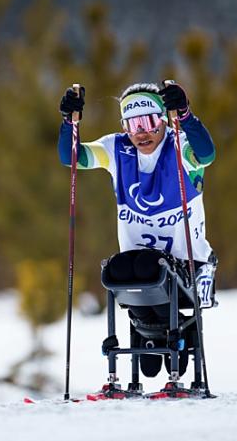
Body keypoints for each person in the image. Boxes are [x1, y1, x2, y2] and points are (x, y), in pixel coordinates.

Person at [57, 81, 217, 377]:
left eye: (149, 122)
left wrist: (184, 116)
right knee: (115, 271)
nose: (141, 132)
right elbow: (72, 158)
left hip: (186, 264)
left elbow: (206, 155)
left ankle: (165, 339)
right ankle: (152, 334)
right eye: (132, 124)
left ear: (163, 121)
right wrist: (69, 123)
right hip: (134, 264)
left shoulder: (179, 145)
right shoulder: (116, 148)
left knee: (148, 266)